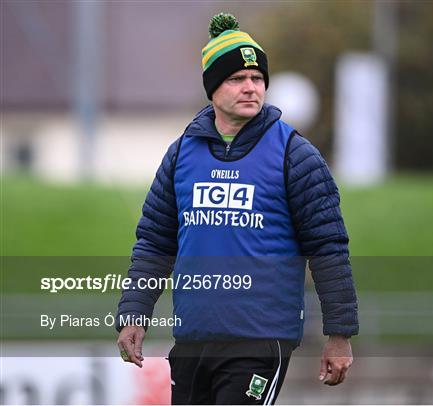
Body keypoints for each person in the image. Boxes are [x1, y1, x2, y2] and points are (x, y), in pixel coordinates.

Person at [116, 12, 358, 405]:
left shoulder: (295, 155)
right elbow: (155, 243)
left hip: (259, 343)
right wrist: (134, 313)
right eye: (237, 79)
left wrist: (339, 333)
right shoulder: (181, 155)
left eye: (258, 78)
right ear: (212, 87)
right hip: (193, 340)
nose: (251, 88)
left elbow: (329, 248)